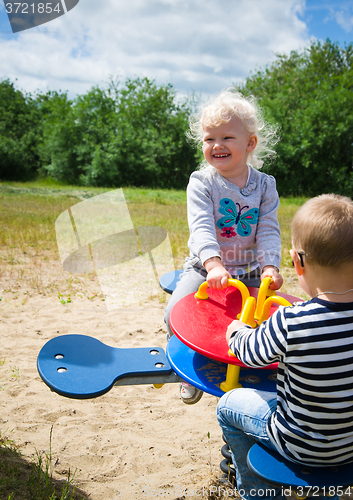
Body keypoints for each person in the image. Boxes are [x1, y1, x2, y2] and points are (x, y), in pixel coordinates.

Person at [217, 193, 353, 500]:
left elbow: (251, 354)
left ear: (298, 262)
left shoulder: (293, 319)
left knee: (228, 406)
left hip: (299, 445)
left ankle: (256, 492)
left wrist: (237, 331)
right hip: (349, 445)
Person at [164, 90, 283, 404]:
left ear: (250, 143)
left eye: (227, 137)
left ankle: (247, 367)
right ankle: (183, 368)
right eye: (208, 139)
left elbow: (269, 228)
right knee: (175, 311)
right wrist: (212, 264)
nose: (216, 145)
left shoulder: (265, 186)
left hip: (250, 272)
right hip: (205, 269)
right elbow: (201, 226)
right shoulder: (202, 182)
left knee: (257, 322)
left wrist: (270, 265)